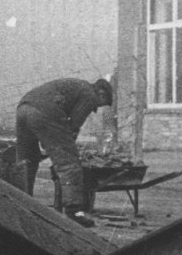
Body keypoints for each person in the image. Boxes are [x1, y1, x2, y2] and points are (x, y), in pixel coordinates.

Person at [15, 77, 113, 227]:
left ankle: (21, 204)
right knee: (70, 163)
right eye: (103, 103)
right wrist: (67, 145)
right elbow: (73, 124)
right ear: (101, 93)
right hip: (45, 111)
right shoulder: (90, 94)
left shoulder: (78, 85)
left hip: (23, 108)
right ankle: (74, 212)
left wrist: (51, 141)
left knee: (27, 160)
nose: (98, 107)